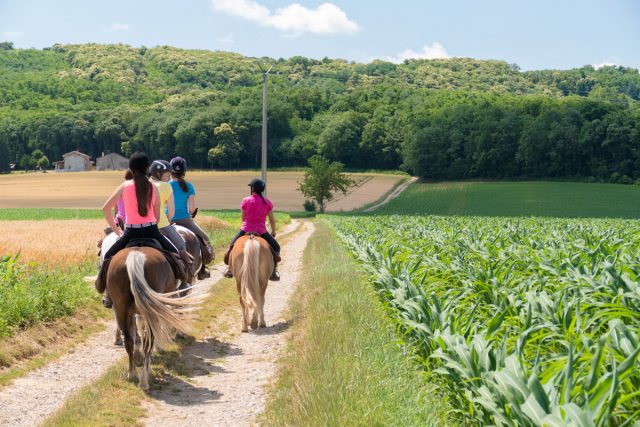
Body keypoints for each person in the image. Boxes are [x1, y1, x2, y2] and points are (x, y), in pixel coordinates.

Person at [98, 152, 180, 308]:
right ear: (147, 168)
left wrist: (117, 232)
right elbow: (156, 215)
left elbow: (105, 209)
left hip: (130, 232)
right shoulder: (153, 187)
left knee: (108, 257)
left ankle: (107, 293)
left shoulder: (125, 186)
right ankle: (175, 288)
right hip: (151, 230)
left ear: (131, 168)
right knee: (175, 254)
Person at [222, 178, 280, 281]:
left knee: (231, 247)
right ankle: (274, 271)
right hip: (261, 231)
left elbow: (243, 218)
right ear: (262, 189)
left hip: (245, 229)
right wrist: (274, 232)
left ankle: (229, 268)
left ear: (252, 188)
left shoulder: (246, 200)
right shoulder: (267, 203)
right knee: (276, 247)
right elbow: (272, 220)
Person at [169, 157, 214, 279]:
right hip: (185, 220)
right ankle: (203, 269)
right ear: (184, 171)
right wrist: (189, 214)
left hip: (168, 220)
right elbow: (192, 209)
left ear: (170, 171)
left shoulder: (166, 185)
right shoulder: (189, 186)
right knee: (204, 238)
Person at [148, 159, 193, 266]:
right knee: (181, 244)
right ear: (159, 174)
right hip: (162, 225)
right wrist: (168, 221)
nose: (169, 179)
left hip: (144, 225)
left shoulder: (146, 184)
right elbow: (171, 211)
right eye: (167, 176)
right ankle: (185, 275)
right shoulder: (166, 186)